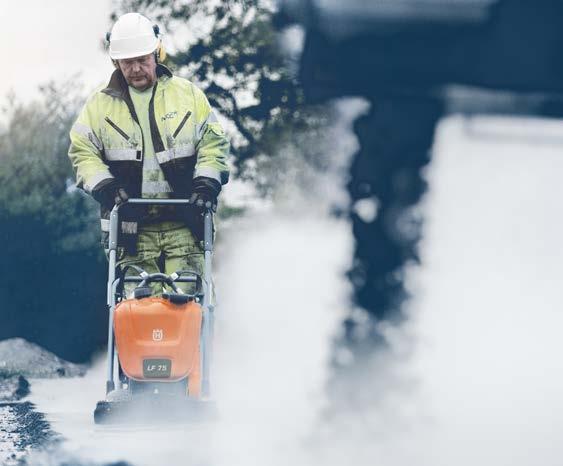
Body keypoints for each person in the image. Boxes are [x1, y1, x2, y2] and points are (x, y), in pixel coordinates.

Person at [68, 12, 229, 296]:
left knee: (186, 304)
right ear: (115, 62)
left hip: (185, 224)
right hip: (130, 228)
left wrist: (206, 182)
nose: (136, 68)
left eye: (143, 59)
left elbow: (212, 144)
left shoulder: (189, 96)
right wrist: (105, 185)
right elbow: (83, 151)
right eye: (128, 62)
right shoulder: (99, 106)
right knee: (138, 308)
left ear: (157, 54)